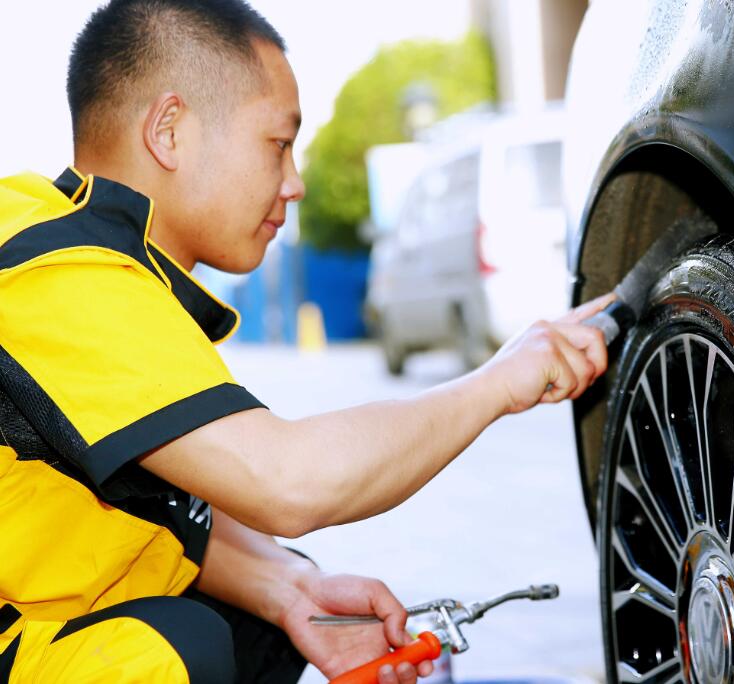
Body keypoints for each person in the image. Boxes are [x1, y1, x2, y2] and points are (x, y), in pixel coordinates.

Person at [0, 1, 611, 682]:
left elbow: (148, 502)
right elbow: (285, 481)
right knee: (177, 651)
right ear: (169, 131)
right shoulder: (51, 272)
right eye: (278, 144)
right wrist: (497, 383)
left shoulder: (97, 259)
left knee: (262, 624)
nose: (293, 184)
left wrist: (289, 591)